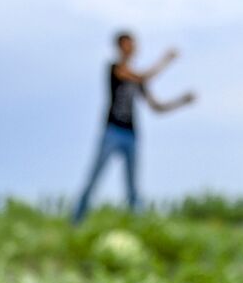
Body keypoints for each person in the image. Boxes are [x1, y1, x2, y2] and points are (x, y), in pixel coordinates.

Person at [72, 31, 195, 223]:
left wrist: (181, 102)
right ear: (119, 47)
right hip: (112, 131)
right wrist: (165, 60)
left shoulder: (138, 80)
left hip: (131, 134)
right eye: (127, 44)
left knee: (133, 187)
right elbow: (143, 77)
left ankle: (138, 225)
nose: (130, 48)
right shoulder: (114, 68)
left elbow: (157, 107)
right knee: (94, 178)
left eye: (133, 44)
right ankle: (76, 222)